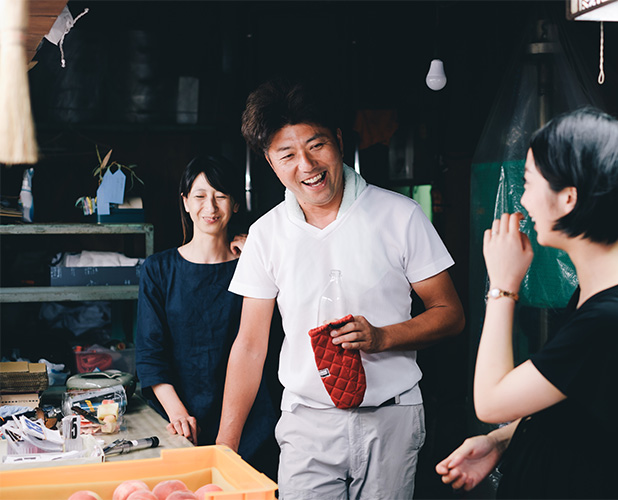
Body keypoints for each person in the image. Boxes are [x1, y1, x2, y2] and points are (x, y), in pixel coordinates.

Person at [216, 79, 465, 500]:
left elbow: (450, 313)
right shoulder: (265, 234)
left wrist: (384, 336)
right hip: (306, 422)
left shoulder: (400, 215)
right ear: (270, 162)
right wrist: (226, 444)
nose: (307, 165)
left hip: (391, 417)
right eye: (288, 154)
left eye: (317, 145)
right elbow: (250, 345)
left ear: (340, 141)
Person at [436, 107, 618, 498]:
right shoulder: (601, 291)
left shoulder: (614, 317)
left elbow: (491, 403)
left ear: (568, 198)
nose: (525, 200)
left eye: (529, 182)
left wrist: (503, 285)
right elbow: (580, 401)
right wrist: (506, 439)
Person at [136, 155, 276, 465]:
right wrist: (178, 413)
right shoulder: (158, 270)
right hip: (179, 423)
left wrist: (259, 256)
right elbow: (149, 355)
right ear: (185, 202)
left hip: (254, 424)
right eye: (200, 196)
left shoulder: (254, 266)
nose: (210, 207)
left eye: (220, 196)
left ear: (235, 203)